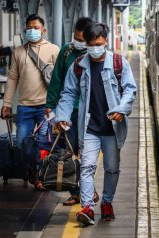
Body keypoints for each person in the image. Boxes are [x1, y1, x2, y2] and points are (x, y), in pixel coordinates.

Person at [54, 23, 137, 225]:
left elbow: (130, 89)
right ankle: (88, 208)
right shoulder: (79, 65)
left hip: (112, 129)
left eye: (98, 44)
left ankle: (106, 202)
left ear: (105, 42)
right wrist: (62, 115)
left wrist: (121, 109)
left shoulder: (119, 63)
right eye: (91, 44)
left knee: (111, 168)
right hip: (89, 126)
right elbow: (68, 93)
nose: (94, 48)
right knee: (87, 167)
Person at [0, 14, 60, 190]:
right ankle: (33, 168)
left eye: (36, 28)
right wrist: (7, 103)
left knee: (43, 142)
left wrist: (58, 105)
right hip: (25, 106)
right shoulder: (19, 52)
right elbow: (12, 78)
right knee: (22, 143)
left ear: (44, 30)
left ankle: (39, 175)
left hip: (45, 107)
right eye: (29, 28)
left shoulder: (54, 50)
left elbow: (59, 79)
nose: (32, 31)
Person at [45, 17, 100, 206]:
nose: (77, 41)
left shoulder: (95, 53)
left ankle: (88, 191)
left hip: (90, 111)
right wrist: (50, 106)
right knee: (68, 151)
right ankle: (77, 192)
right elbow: (56, 79)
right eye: (75, 37)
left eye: (81, 39)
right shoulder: (67, 51)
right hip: (68, 111)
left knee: (87, 152)